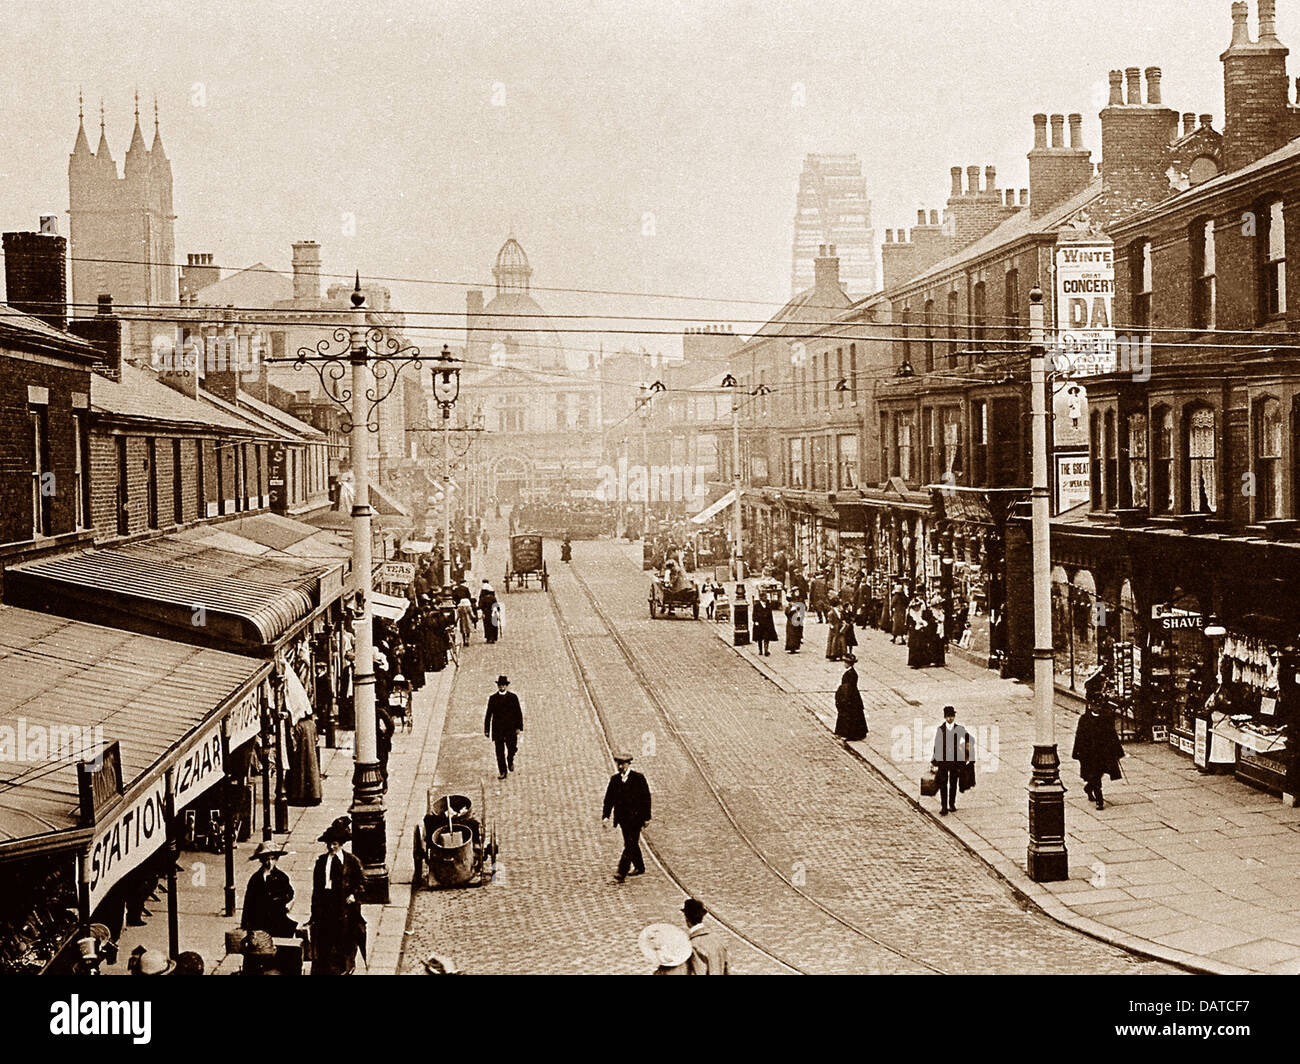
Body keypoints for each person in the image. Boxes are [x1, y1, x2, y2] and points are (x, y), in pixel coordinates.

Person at [310, 816, 365, 975]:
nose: (331, 847)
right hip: (327, 901)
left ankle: (346, 966)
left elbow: (362, 882)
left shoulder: (351, 861)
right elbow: (317, 887)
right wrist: (315, 909)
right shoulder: (321, 862)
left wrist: (354, 895)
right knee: (326, 935)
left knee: (345, 936)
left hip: (344, 904)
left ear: (341, 844)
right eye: (329, 844)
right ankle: (327, 967)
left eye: (334, 844)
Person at [602, 753, 651, 883]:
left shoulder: (638, 778)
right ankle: (640, 867)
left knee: (630, 844)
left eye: (622, 764)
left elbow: (646, 798)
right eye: (618, 763)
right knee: (630, 843)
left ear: (629, 764)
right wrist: (606, 816)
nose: (620, 766)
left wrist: (647, 817)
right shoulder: (615, 780)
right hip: (623, 819)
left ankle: (621, 872)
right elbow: (609, 799)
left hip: (636, 819)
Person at [1072, 703, 1124, 809]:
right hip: (1089, 753)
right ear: (1090, 706)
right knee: (1094, 775)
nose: (1098, 707)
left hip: (1103, 752)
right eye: (1095, 705)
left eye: (1099, 705)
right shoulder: (1085, 719)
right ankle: (1099, 801)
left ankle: (1088, 788)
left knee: (1099, 773)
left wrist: (1118, 751)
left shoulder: (1106, 718)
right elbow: (1079, 735)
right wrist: (1076, 751)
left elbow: (1112, 735)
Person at [241, 841, 297, 938]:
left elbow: (290, 893)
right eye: (267, 859)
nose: (270, 862)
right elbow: (248, 902)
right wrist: (245, 923)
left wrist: (280, 900)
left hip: (277, 918)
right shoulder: (255, 879)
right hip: (260, 920)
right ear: (261, 860)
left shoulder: (281, 877)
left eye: (273, 859)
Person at [931, 706, 972, 815]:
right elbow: (937, 745)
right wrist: (934, 761)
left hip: (955, 760)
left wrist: (966, 752)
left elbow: (969, 739)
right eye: (948, 717)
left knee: (953, 783)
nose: (950, 719)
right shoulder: (941, 729)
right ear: (945, 717)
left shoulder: (959, 729)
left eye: (952, 716)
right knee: (943, 783)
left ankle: (952, 804)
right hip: (943, 761)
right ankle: (944, 806)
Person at [484, 675, 524, 780]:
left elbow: (518, 713)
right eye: (500, 685)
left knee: (512, 748)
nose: (502, 687)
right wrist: (487, 730)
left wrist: (519, 727)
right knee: (499, 752)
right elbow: (489, 714)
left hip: (510, 728)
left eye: (504, 685)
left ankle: (510, 759)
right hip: (498, 730)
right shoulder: (493, 698)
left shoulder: (513, 697)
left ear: (506, 686)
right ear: (498, 686)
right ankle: (503, 771)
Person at [682, 897, 729, 975]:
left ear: (686, 918)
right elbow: (727, 970)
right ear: (702, 917)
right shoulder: (717, 939)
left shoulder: (693, 945)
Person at [833, 657, 868, 741]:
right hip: (853, 695)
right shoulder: (851, 672)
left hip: (850, 696)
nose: (844, 664)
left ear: (848, 663)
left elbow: (848, 687)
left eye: (845, 662)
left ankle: (848, 734)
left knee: (848, 715)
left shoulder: (850, 673)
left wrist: (843, 697)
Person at [752, 591, 777, 656]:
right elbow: (754, 614)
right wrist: (755, 621)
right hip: (759, 624)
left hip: (767, 624)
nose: (766, 598)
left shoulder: (768, 605)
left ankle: (766, 650)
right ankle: (760, 650)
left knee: (766, 637)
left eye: (766, 597)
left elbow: (770, 615)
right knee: (759, 638)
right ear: (761, 598)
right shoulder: (756, 606)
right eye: (764, 597)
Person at [784, 588, 805, 653]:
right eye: (796, 591)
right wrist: (792, 610)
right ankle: (791, 647)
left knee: (797, 632)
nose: (797, 592)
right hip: (791, 619)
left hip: (798, 619)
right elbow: (787, 612)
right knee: (791, 633)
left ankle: (796, 646)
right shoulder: (790, 603)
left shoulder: (799, 600)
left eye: (798, 591)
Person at [825, 596, 844, 661]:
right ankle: (832, 654)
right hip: (834, 628)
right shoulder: (831, 612)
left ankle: (839, 654)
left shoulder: (839, 611)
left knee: (839, 641)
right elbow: (830, 620)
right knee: (833, 641)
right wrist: (831, 625)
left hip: (839, 627)